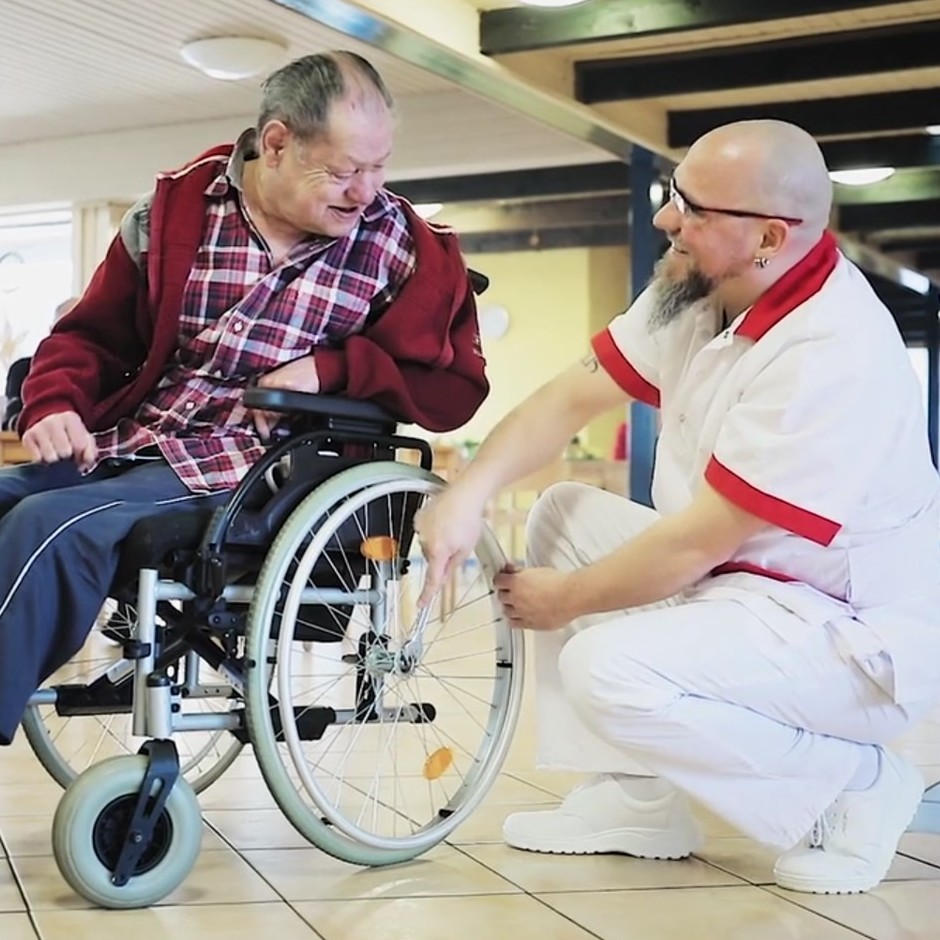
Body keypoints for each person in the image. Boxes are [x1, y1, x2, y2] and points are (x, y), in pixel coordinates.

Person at [414, 119, 940, 896]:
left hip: (847, 640)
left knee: (606, 669)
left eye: (692, 208)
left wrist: (564, 602)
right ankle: (636, 798)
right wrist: (469, 492)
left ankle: (855, 784)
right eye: (672, 195)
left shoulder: (832, 350)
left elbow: (694, 544)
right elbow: (569, 396)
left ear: (768, 236)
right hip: (751, 585)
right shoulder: (698, 291)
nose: (666, 220)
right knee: (562, 513)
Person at [0, 51, 488, 746]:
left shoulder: (406, 248)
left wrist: (332, 369)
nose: (365, 192)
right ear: (278, 142)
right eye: (346, 171)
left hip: (256, 469)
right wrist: (53, 403)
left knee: (50, 523)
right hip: (134, 441)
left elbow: (453, 389)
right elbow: (91, 337)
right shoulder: (174, 212)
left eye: (379, 167)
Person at [2, 297, 80, 431]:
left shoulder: (106, 374)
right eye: (64, 328)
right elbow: (10, 424)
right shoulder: (22, 370)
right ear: (51, 331)